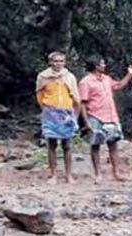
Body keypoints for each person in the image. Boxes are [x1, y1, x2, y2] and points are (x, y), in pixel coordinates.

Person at [78, 56, 132, 182]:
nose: (104, 65)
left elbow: (118, 85)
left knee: (113, 145)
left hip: (110, 116)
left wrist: (130, 74)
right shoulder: (85, 82)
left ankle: (116, 173)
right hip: (95, 116)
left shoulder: (106, 79)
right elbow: (82, 103)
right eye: (102, 63)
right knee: (95, 146)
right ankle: (98, 175)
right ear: (96, 66)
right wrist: (86, 122)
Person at [36, 52, 80, 183]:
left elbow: (75, 95)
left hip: (66, 112)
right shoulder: (43, 77)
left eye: (61, 61)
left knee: (67, 144)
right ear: (50, 62)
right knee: (52, 144)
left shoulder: (69, 77)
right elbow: (39, 95)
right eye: (55, 61)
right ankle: (53, 174)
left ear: (65, 62)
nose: (58, 64)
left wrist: (75, 114)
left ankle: (68, 175)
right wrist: (47, 108)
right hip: (50, 112)